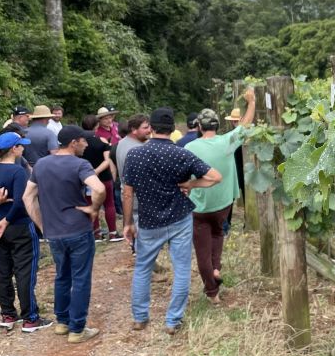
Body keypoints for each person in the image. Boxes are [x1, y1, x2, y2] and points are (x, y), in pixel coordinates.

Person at [122, 107, 221, 334]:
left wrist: (127, 223)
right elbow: (215, 177)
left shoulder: (135, 155)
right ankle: (173, 320)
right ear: (173, 129)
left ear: (152, 128)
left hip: (148, 221)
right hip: (179, 218)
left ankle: (140, 317)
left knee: (143, 268)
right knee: (182, 269)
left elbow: (128, 193)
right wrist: (191, 184)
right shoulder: (181, 153)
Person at [23, 125, 105, 343]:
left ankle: (62, 322)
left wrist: (42, 225)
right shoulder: (80, 164)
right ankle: (77, 329)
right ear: (74, 142)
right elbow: (99, 189)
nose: (87, 144)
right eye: (84, 141)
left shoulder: (41, 164)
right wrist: (94, 209)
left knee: (62, 275)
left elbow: (27, 197)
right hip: (78, 229)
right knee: (80, 279)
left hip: (54, 232)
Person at [185, 90, 255, 304]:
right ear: (217, 125)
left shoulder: (190, 147)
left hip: (200, 206)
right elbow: (245, 125)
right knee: (218, 235)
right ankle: (216, 269)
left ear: (198, 127)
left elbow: (184, 177)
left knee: (202, 251)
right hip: (224, 204)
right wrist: (252, 101)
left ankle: (212, 292)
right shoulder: (228, 142)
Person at [0, 132, 52, 332]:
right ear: (14, 149)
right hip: (18, 226)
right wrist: (7, 220)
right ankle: (30, 318)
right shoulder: (18, 171)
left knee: (2, 271)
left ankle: (8, 314)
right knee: (24, 271)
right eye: (21, 145)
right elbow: (21, 202)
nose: (23, 148)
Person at [80, 114, 122, 242]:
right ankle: (113, 233)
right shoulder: (101, 141)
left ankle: (95, 233)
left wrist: (89, 173)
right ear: (96, 126)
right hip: (104, 177)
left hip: (86, 178)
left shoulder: (78, 142)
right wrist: (96, 171)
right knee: (109, 203)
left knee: (91, 204)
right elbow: (107, 160)